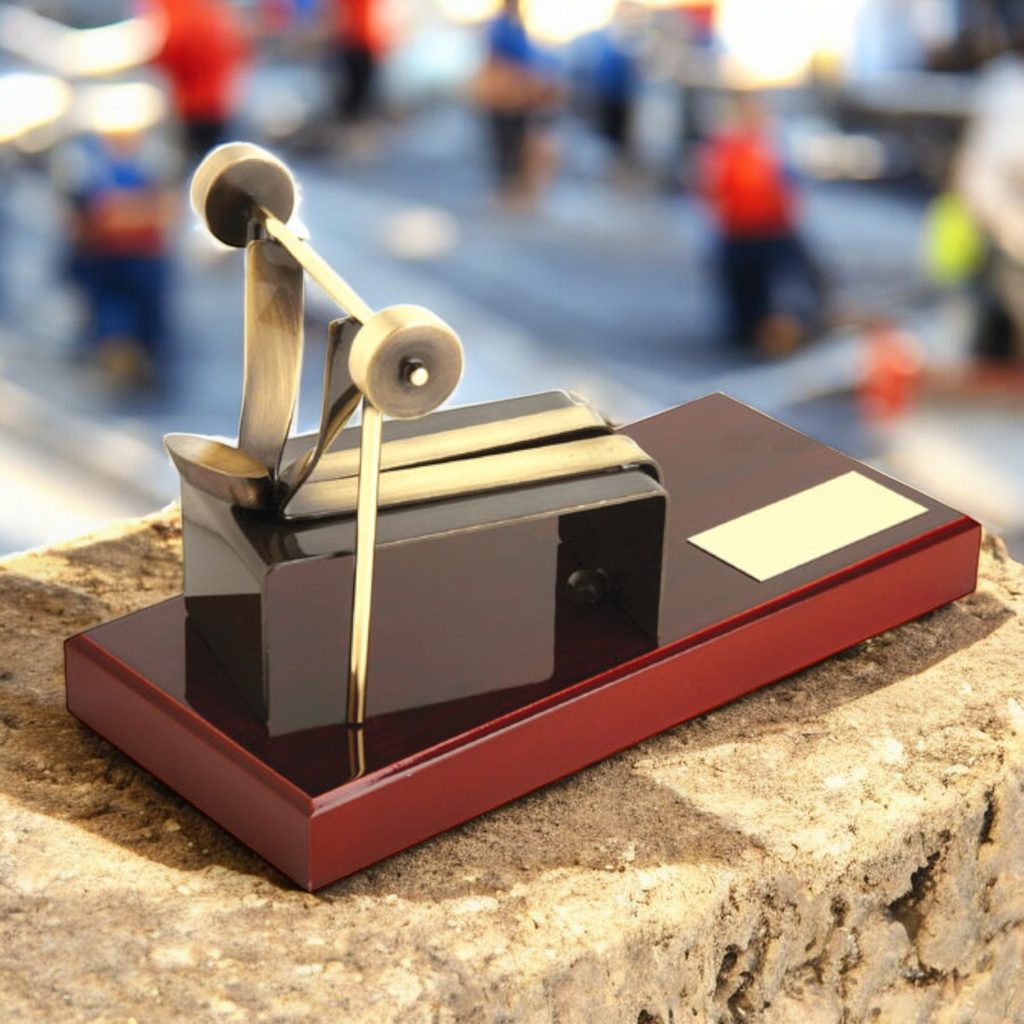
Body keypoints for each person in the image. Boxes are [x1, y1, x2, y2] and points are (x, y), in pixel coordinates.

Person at [699, 91, 825, 355]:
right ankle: (747, 329)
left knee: (786, 281)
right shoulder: (727, 146)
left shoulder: (771, 144)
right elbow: (711, 186)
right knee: (743, 286)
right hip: (738, 230)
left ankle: (778, 326)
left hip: (770, 228)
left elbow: (788, 183)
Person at [472, 0, 561, 207]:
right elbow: (504, 59)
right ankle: (507, 189)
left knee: (515, 142)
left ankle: (513, 188)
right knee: (505, 143)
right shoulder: (502, 27)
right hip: (506, 97)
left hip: (517, 98)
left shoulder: (515, 27)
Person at [145, 0, 251, 162]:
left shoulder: (179, 14)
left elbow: (170, 53)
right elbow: (238, 48)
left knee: (199, 159)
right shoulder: (212, 12)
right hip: (220, 100)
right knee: (220, 157)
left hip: (193, 104)